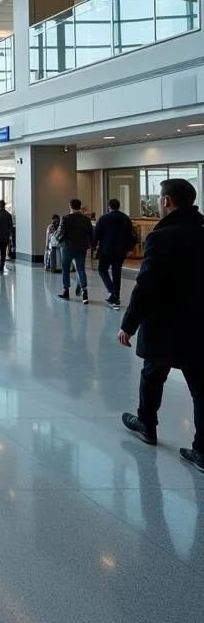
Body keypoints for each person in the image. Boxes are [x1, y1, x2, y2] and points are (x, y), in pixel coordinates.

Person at [117, 178, 204, 473]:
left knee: (153, 373)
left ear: (166, 201)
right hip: (199, 322)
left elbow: (146, 285)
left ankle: (147, 423)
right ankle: (202, 449)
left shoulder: (163, 237)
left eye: (158, 197)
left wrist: (129, 324)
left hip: (166, 321)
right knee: (201, 385)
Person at [93, 198, 136, 308]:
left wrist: (93, 246)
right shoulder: (126, 218)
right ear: (119, 206)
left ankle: (113, 293)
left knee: (102, 270)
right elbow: (131, 235)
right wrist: (129, 248)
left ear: (109, 207)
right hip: (120, 251)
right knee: (117, 273)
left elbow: (96, 234)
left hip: (105, 250)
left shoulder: (103, 218)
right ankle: (115, 296)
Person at [56, 197, 94, 303]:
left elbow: (60, 232)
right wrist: (92, 245)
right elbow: (90, 233)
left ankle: (66, 291)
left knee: (66, 269)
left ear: (70, 206)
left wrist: (58, 240)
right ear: (80, 206)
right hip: (81, 248)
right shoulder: (86, 219)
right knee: (81, 269)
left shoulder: (65, 218)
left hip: (68, 247)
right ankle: (84, 292)